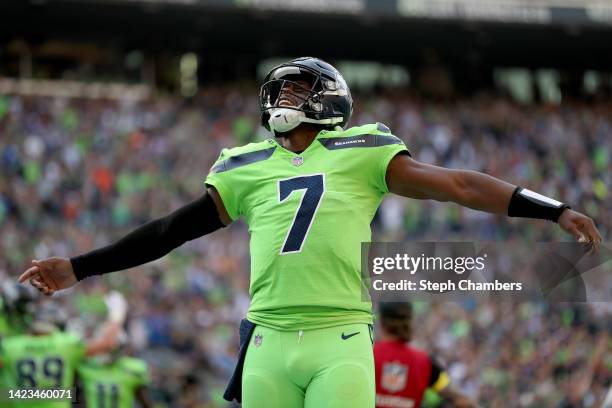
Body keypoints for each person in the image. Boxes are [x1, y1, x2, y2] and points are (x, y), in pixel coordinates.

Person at [19, 57, 602, 408]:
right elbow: (171, 230)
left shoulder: (363, 149)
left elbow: (456, 184)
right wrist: (79, 266)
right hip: (268, 339)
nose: (283, 100)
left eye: (298, 92)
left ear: (328, 102)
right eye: (283, 90)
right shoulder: (243, 163)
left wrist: (550, 209)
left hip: (339, 337)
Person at [0, 292, 127, 408]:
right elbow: (108, 343)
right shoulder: (67, 344)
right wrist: (117, 313)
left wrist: (13, 395)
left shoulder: (10, 346)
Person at [374, 302, 475, 408]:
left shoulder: (369, 354)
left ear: (381, 323)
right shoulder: (425, 361)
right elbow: (461, 400)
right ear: (410, 323)